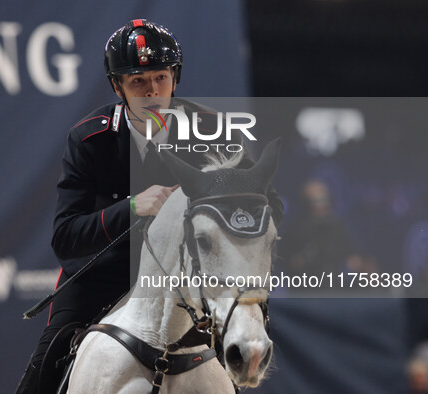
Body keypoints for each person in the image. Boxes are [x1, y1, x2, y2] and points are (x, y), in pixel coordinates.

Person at [15, 19, 284, 393]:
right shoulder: (89, 138)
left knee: (243, 345)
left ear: (175, 78)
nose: (152, 91)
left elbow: (265, 202)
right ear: (117, 86)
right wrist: (133, 205)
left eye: (160, 77)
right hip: (104, 277)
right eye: (137, 81)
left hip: (188, 278)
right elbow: (66, 238)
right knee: (46, 363)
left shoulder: (213, 130)